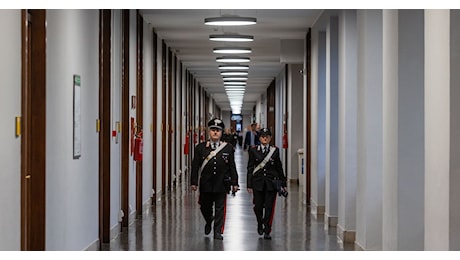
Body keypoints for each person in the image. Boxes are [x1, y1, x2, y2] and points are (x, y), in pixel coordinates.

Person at [191, 118, 240, 240]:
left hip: (221, 184)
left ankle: (218, 231)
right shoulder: (200, 148)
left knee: (220, 208)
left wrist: (235, 182)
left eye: (218, 130)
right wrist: (194, 182)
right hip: (206, 183)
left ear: (222, 132)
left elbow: (232, 166)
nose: (215, 132)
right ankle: (209, 220)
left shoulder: (227, 148)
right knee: (204, 206)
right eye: (213, 130)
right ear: (209, 131)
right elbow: (195, 166)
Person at [246, 128, 287, 240]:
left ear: (270, 138)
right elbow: (250, 168)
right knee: (258, 207)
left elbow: (279, 167)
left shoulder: (275, 151)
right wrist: (249, 184)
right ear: (259, 138)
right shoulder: (253, 150)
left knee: (269, 207)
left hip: (270, 183)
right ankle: (260, 222)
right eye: (263, 136)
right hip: (258, 183)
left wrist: (283, 182)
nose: (265, 138)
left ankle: (267, 229)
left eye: (267, 136)